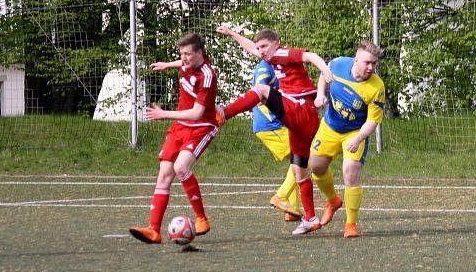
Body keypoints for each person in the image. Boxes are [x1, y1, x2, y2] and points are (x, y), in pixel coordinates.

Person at [214, 26, 334, 232]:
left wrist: (324, 69)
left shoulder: (282, 53)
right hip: (302, 121)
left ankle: (224, 114)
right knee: (299, 171)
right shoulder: (270, 57)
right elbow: (251, 48)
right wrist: (232, 34)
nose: (260, 51)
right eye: (259, 47)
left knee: (262, 90)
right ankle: (310, 218)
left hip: (301, 109)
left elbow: (310, 56)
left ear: (276, 44)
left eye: (264, 46)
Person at [129, 33, 218, 244]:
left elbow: (196, 113)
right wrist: (167, 65)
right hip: (179, 127)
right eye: (181, 54)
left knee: (181, 167)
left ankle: (201, 218)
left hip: (201, 127)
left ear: (199, 53)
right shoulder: (187, 63)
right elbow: (182, 63)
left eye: (187, 54)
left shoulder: (207, 76)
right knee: (164, 174)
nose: (183, 58)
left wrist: (164, 114)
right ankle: (154, 230)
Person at [306, 41, 386, 238]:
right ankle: (332, 200)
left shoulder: (376, 87)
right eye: (367, 62)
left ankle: (350, 224)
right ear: (356, 59)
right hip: (330, 126)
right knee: (316, 167)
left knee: (350, 172)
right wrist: (320, 95)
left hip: (355, 132)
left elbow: (373, 121)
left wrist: (358, 139)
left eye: (374, 63)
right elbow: (324, 75)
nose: (371, 67)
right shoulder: (338, 64)